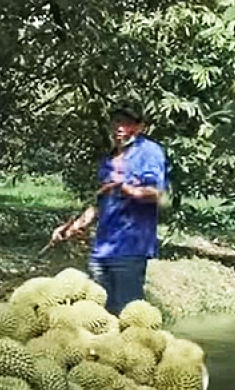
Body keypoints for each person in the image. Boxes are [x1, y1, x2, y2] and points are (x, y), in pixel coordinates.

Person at [50, 104, 169, 314]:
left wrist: (127, 189)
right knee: (99, 312)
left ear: (140, 127)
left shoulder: (149, 151)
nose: (120, 128)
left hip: (131, 247)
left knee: (127, 313)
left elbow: (155, 193)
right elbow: (100, 203)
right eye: (116, 122)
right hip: (103, 248)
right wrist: (74, 227)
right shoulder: (108, 160)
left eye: (127, 123)